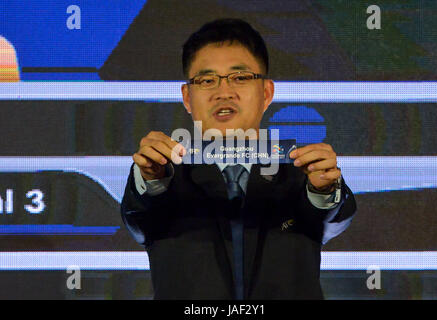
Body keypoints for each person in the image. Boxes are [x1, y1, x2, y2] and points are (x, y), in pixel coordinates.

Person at [121, 18, 356, 299]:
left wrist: (325, 189)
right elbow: (139, 216)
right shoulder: (162, 178)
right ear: (187, 97)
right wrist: (150, 180)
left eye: (240, 77)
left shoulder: (304, 176)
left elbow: (333, 218)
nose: (224, 92)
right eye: (207, 80)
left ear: (266, 92)